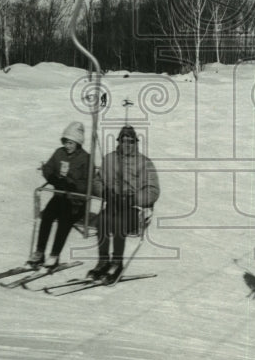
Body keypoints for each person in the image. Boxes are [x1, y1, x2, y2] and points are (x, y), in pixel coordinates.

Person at [92, 125, 160, 284]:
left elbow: (153, 190)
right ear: (119, 142)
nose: (127, 145)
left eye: (130, 142)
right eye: (124, 141)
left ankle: (117, 262)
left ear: (135, 143)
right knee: (102, 220)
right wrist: (105, 192)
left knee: (118, 223)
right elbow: (97, 181)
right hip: (114, 203)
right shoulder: (109, 159)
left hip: (133, 209)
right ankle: (103, 261)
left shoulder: (144, 163)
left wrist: (134, 199)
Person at [29, 122, 93, 269]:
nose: (67, 146)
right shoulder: (59, 153)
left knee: (65, 220)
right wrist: (53, 178)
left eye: (70, 143)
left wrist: (73, 185)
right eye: (65, 142)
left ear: (77, 143)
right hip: (60, 196)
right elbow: (48, 168)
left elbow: (89, 184)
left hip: (76, 201)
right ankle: (39, 252)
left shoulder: (85, 158)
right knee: (47, 216)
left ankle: (54, 255)